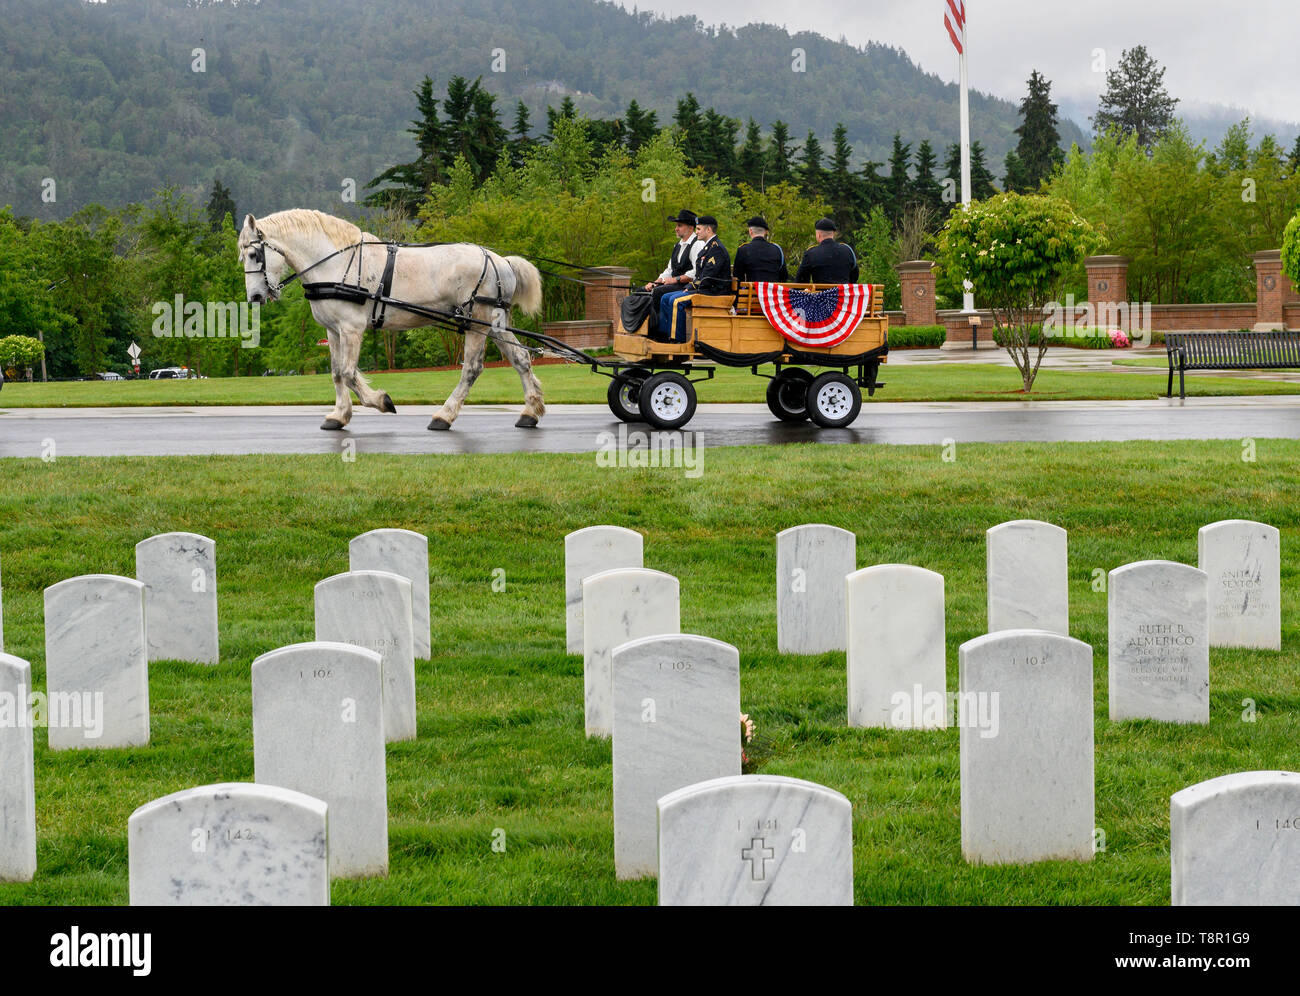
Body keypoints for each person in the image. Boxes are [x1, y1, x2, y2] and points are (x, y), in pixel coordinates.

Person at [658, 215, 731, 343]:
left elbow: (708, 277)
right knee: (665, 298)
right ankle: (664, 337)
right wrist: (689, 287)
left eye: (698, 229)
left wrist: (691, 287)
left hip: (713, 292)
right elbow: (700, 275)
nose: (696, 232)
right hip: (704, 288)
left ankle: (678, 341)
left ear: (708, 230)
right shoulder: (707, 248)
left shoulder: (716, 249)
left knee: (676, 301)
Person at [643, 209, 702, 337]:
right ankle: (645, 330)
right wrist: (656, 282)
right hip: (674, 284)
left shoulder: (697, 244)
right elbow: (669, 270)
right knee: (644, 290)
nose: (676, 229)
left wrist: (676, 279)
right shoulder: (678, 245)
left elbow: (696, 272)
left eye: (679, 226)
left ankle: (662, 334)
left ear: (690, 228)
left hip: (687, 286)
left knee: (659, 292)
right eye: (676, 226)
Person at [794, 217, 859, 284]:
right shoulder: (848, 250)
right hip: (843, 293)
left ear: (818, 235)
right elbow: (855, 276)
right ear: (833, 234)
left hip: (821, 294)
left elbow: (801, 280)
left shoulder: (811, 253)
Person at [732, 215, 788, 284]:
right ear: (765, 232)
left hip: (752, 293)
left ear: (750, 231)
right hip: (773, 293)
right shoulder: (777, 249)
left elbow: (738, 276)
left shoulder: (743, 250)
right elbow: (784, 276)